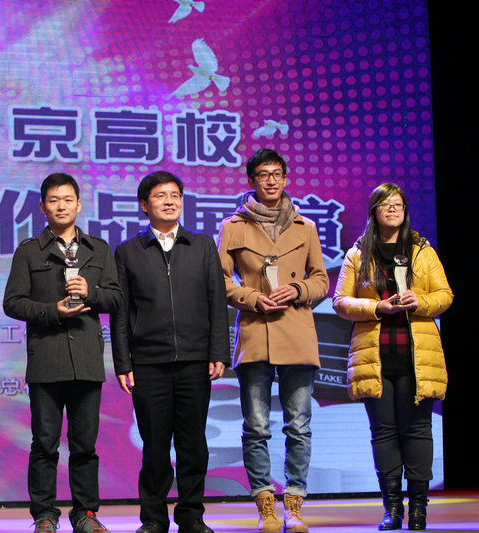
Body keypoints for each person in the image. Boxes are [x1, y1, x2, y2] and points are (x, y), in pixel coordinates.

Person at [3, 173, 123, 533]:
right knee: (44, 443)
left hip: (87, 358)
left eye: (68, 199)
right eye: (53, 200)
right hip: (47, 358)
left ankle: (86, 513)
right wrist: (51, 311)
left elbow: (116, 299)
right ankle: (44, 515)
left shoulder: (98, 249)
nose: (61, 206)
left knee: (85, 445)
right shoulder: (29, 251)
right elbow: (12, 302)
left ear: (79, 204)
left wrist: (91, 293)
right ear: (42, 207)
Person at [111, 171, 230, 533]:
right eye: (160, 195)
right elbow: (121, 312)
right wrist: (123, 362)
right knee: (155, 446)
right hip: (148, 363)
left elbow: (217, 303)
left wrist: (218, 351)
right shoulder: (129, 251)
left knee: (194, 445)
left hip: (195, 361)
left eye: (175, 195)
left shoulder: (202, 246)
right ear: (144, 205)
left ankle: (192, 515)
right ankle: (154, 518)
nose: (169, 201)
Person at [216, 149, 328, 533]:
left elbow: (321, 279)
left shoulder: (305, 226)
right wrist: (251, 297)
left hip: (296, 329)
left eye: (277, 173)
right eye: (263, 174)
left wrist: (297, 289)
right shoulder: (233, 226)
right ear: (251, 181)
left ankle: (294, 504)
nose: (271, 180)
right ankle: (266, 505)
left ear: (285, 178)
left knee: (299, 426)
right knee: (257, 426)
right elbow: (220, 281)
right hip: (256, 330)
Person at [333, 183, 452, 531]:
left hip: (418, 358)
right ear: (374, 211)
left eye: (398, 204)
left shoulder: (422, 251)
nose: (393, 209)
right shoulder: (358, 253)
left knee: (418, 431)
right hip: (375, 358)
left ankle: (419, 508)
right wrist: (376, 307)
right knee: (383, 432)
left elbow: (445, 295)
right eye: (386, 204)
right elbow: (340, 301)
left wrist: (421, 301)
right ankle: (392, 507)